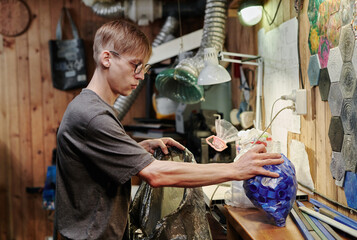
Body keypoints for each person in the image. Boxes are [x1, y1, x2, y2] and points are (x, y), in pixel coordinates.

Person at [55, 19, 284, 240]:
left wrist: (135, 150)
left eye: (144, 68)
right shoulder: (93, 115)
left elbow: (98, 159)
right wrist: (235, 169)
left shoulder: (91, 107)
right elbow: (156, 174)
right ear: (107, 58)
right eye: (136, 65)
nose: (141, 75)